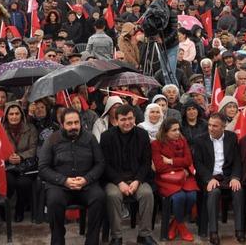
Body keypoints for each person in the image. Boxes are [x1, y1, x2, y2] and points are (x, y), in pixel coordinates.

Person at [38, 108, 106, 245]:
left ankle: (92, 241)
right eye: (69, 123)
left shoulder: (90, 138)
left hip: (86, 184)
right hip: (60, 186)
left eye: (76, 122)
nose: (74, 126)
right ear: (62, 124)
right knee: (54, 201)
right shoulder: (52, 139)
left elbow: (100, 164)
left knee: (99, 198)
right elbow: (43, 168)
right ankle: (58, 240)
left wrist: (87, 179)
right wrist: (64, 181)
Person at [101, 104, 156, 245]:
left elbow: (146, 162)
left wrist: (137, 181)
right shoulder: (107, 136)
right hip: (115, 180)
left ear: (135, 118)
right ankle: (116, 236)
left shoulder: (142, 135)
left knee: (147, 194)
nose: (127, 123)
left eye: (130, 118)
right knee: (112, 196)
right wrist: (119, 182)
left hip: (137, 178)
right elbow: (105, 164)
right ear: (117, 120)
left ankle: (144, 234)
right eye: (123, 119)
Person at [192, 114, 246, 244]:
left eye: (215, 126)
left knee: (238, 190)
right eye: (209, 125)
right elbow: (198, 164)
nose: (211, 128)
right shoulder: (200, 140)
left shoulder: (232, 137)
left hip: (227, 176)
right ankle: (213, 232)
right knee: (214, 193)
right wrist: (209, 178)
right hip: (210, 177)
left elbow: (237, 160)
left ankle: (239, 230)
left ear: (223, 126)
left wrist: (235, 177)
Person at [151, 117, 198, 243]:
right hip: (167, 179)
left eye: (178, 129)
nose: (178, 132)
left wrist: (171, 161)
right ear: (165, 132)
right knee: (180, 197)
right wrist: (180, 168)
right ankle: (182, 227)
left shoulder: (183, 141)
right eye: (174, 130)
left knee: (192, 196)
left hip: (185, 177)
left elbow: (188, 160)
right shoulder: (156, 144)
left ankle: (175, 224)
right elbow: (160, 167)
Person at [3, 103, 38, 223]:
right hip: (8, 166)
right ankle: (5, 208)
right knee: (10, 182)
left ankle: (20, 209)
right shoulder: (1, 129)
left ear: (21, 114)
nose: (14, 116)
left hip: (25, 166)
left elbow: (33, 148)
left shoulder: (30, 128)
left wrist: (21, 157)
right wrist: (8, 157)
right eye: (11, 114)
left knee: (23, 184)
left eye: (17, 113)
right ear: (6, 116)